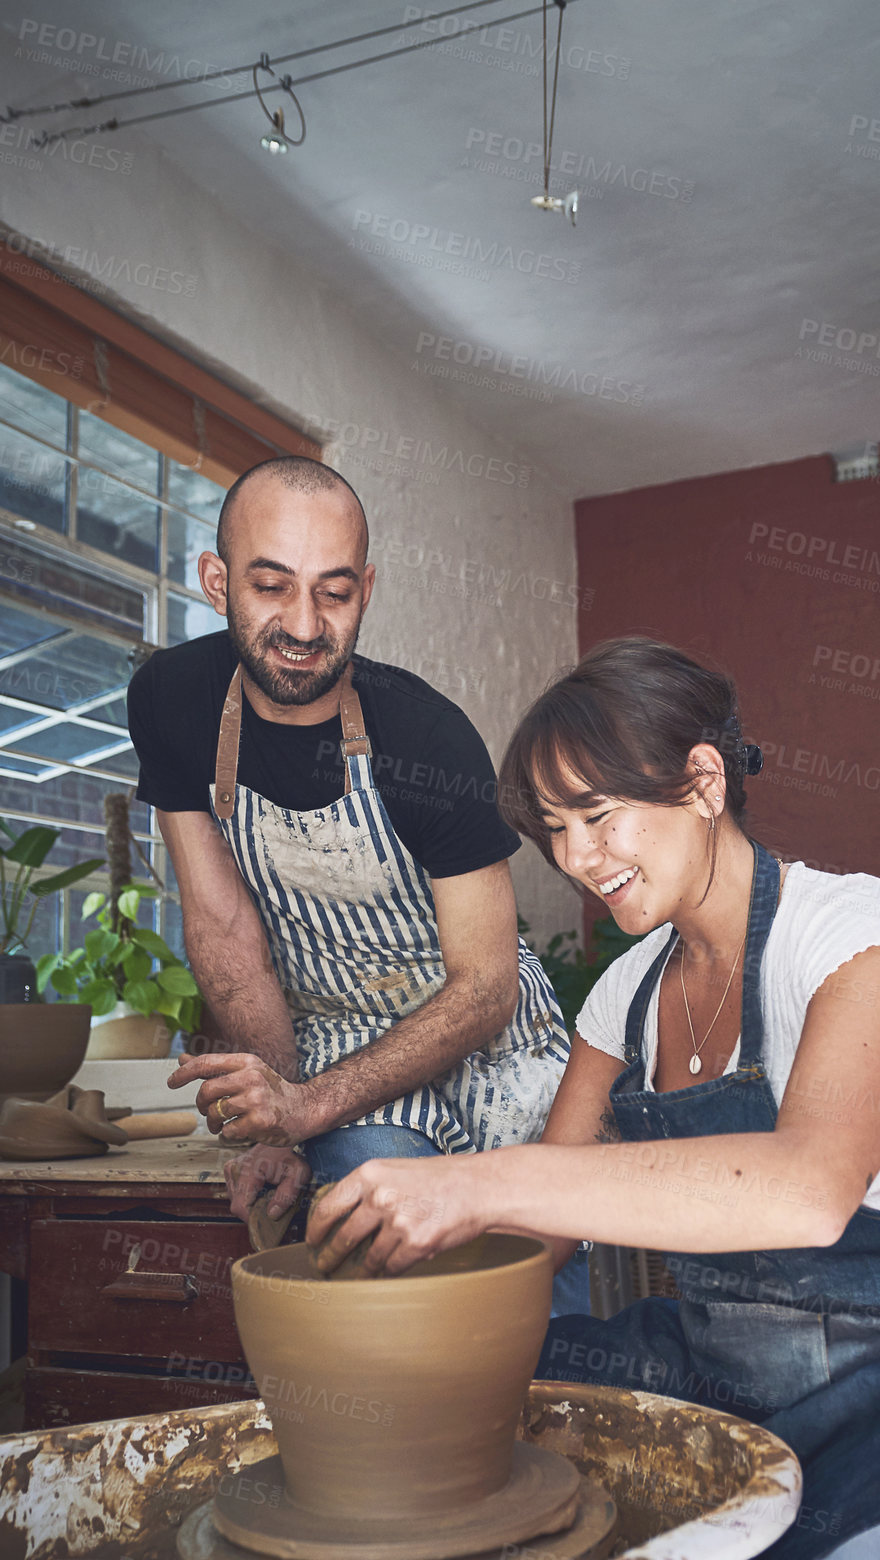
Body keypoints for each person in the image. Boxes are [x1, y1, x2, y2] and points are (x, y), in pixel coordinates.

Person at [306, 636, 880, 1560]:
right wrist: (394, 1291)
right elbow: (541, 1244)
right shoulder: (624, 991)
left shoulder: (857, 931)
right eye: (554, 831)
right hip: (735, 1399)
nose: (577, 858)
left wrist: (486, 1181)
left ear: (703, 781)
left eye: (599, 815)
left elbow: (804, 1190)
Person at [126, 455, 586, 1310]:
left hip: (488, 1045)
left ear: (365, 590)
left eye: (334, 594)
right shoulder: (170, 702)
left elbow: (483, 987)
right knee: (388, 1291)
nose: (304, 624)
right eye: (271, 586)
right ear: (215, 578)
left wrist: (304, 1108)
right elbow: (224, 929)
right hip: (331, 1051)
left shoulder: (426, 738)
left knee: (539, 1323)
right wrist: (277, 1111)